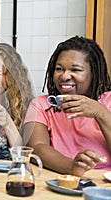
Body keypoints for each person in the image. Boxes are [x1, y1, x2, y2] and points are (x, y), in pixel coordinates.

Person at [23, 36, 111, 177]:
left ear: (93, 73)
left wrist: (100, 113)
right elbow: (36, 147)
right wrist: (71, 166)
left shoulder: (109, 101)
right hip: (60, 177)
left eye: (75, 70)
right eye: (59, 69)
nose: (64, 76)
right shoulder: (41, 104)